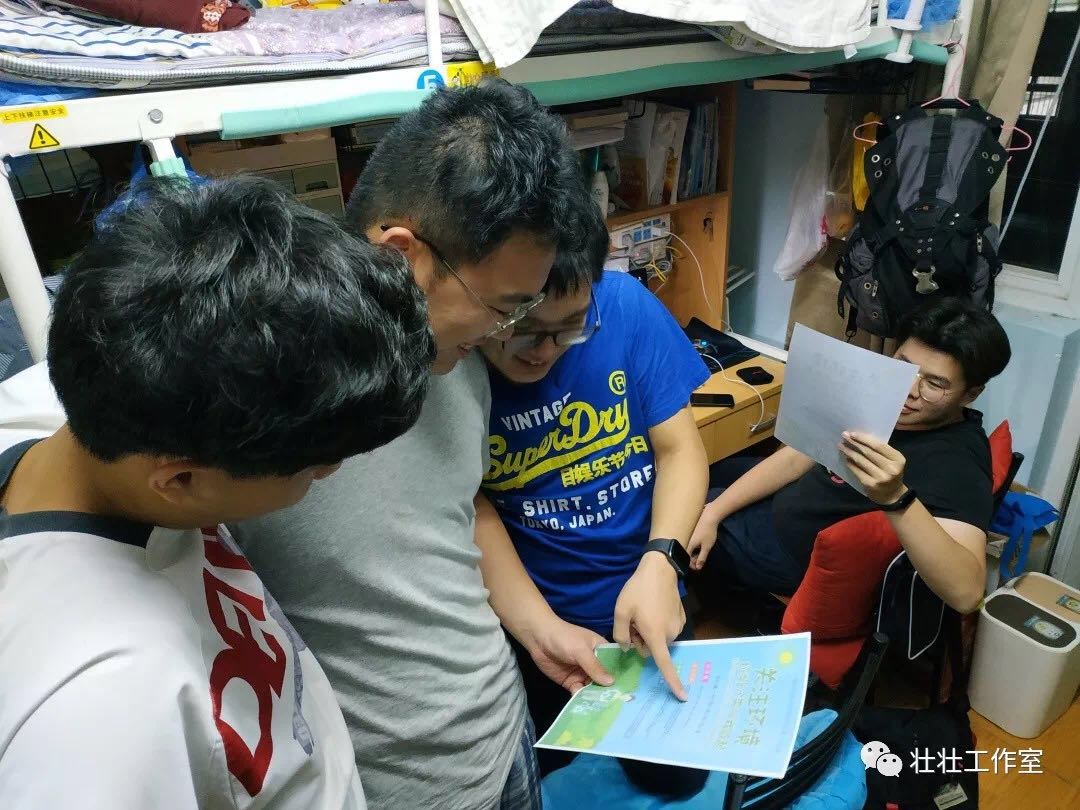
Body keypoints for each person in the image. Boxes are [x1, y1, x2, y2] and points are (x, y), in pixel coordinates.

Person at [0, 176, 435, 808]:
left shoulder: (81, 400)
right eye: (314, 467)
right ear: (180, 479)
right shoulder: (101, 713)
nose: (328, 474)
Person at [231, 80, 591, 809]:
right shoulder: (253, 391)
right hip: (385, 786)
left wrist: (538, 629)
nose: (507, 336)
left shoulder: (454, 358)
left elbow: (460, 507)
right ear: (402, 256)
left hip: (503, 734)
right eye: (503, 309)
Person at [475, 202, 711, 797]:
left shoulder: (624, 305)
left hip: (646, 602)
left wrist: (662, 561)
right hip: (532, 619)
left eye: (571, 328)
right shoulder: (456, 356)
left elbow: (680, 450)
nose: (544, 350)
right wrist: (539, 628)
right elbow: (470, 507)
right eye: (525, 328)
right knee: (551, 779)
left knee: (678, 779)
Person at [690, 298, 1012, 614]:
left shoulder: (957, 462)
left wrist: (896, 497)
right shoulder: (886, 400)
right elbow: (799, 457)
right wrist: (715, 511)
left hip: (785, 547)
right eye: (904, 367)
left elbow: (967, 594)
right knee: (700, 473)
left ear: (971, 394)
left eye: (934, 384)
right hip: (794, 498)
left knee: (675, 507)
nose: (909, 390)